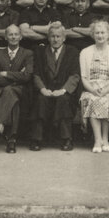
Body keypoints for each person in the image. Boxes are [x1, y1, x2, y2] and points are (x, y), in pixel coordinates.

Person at [31, 22, 81, 151]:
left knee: (64, 100)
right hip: (46, 90)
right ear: (48, 38)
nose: (55, 39)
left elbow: (75, 75)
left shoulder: (72, 52)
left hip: (64, 91)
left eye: (58, 36)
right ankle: (37, 139)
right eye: (52, 36)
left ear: (64, 38)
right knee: (41, 100)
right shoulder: (40, 51)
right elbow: (36, 74)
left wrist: (63, 90)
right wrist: (43, 89)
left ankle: (66, 139)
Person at [78, 19, 109, 153]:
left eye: (103, 32)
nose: (100, 35)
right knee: (93, 99)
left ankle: (106, 138)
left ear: (108, 34)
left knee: (107, 99)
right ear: (93, 34)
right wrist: (92, 90)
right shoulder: (85, 52)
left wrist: (105, 90)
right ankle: (97, 139)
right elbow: (84, 77)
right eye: (97, 33)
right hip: (90, 88)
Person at [0, 24, 34, 153]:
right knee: (12, 98)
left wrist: (6, 73)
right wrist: (17, 77)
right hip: (3, 92)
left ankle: (0, 126)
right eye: (10, 34)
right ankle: (12, 140)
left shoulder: (28, 54)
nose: (13, 37)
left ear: (20, 37)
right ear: (5, 37)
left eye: (16, 34)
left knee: (10, 92)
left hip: (23, 92)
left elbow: (27, 77)